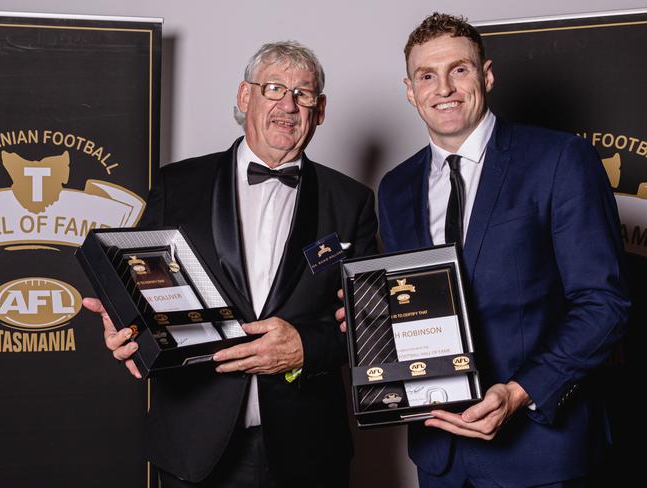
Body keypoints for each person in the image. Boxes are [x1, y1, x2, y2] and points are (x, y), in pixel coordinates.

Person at [83, 41, 377, 488]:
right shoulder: (177, 184)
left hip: (308, 448)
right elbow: (138, 286)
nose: (288, 105)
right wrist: (123, 325)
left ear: (320, 110)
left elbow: (370, 322)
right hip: (195, 443)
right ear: (245, 97)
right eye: (274, 88)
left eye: (304, 94)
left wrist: (306, 346)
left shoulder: (351, 200)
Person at [376, 12, 629, 488]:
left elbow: (603, 304)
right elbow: (414, 303)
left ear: (486, 75)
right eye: (427, 76)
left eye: (460, 70)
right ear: (411, 90)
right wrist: (372, 319)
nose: (444, 88)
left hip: (540, 452)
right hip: (440, 457)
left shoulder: (558, 159)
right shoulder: (395, 187)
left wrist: (519, 393)